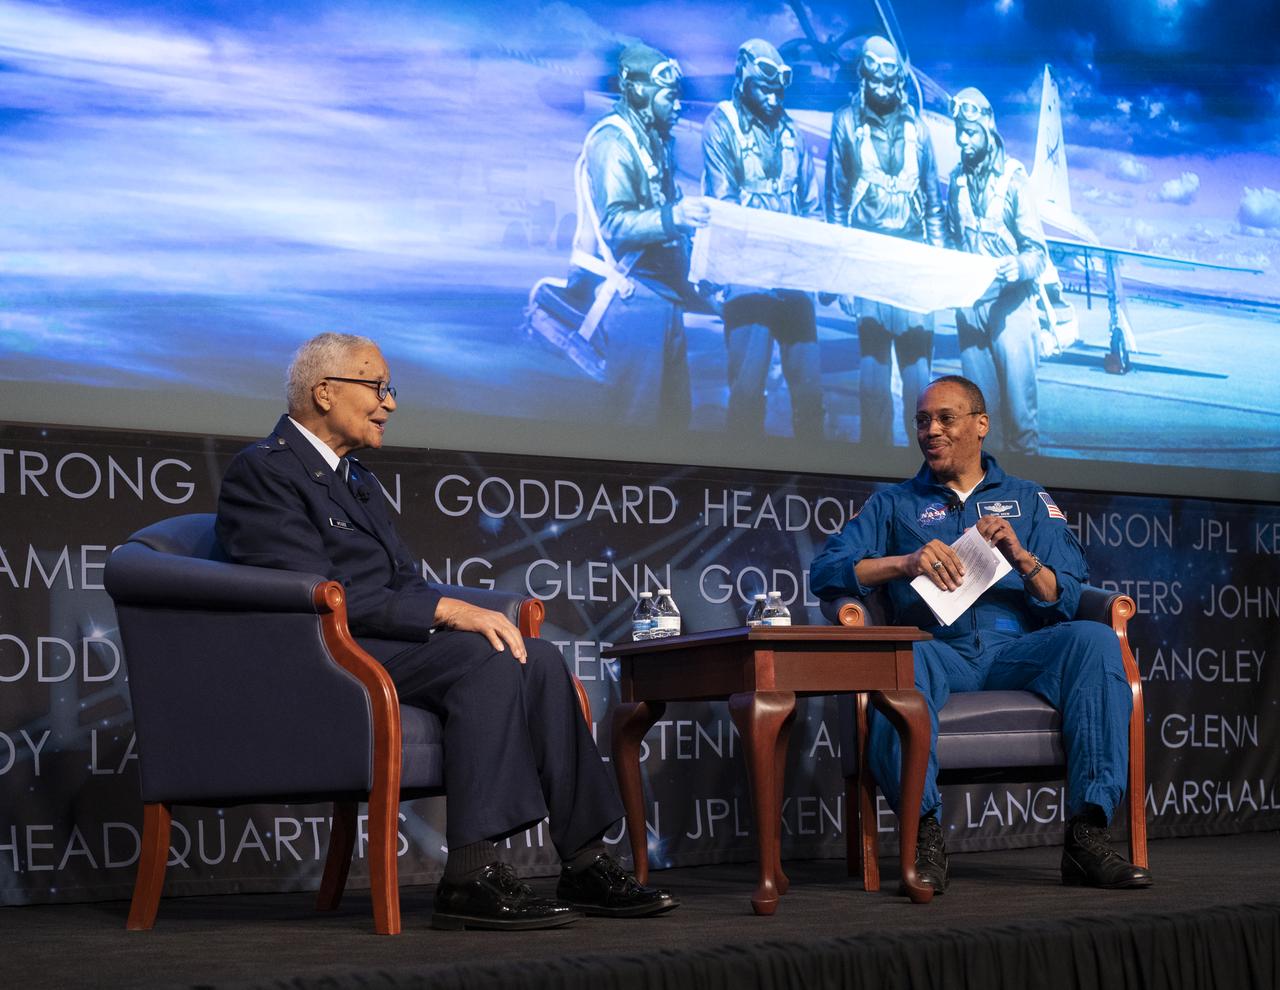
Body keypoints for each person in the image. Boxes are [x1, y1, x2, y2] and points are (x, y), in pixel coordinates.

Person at [216, 332, 678, 930]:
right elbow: (308, 590)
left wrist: (448, 608)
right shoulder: (264, 470)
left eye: (389, 389)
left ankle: (586, 861)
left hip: (385, 644)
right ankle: (469, 875)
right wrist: (447, 612)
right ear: (324, 392)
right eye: (377, 387)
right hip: (328, 656)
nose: (389, 402)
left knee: (535, 657)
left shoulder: (356, 479)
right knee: (487, 658)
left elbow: (404, 581)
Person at [809, 375, 1152, 892]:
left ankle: (1087, 837)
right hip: (935, 650)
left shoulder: (1028, 499)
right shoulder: (894, 504)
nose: (931, 430)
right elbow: (826, 571)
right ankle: (923, 837)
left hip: (1017, 650)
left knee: (1095, 641)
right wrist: (904, 562)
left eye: (945, 418)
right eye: (922, 421)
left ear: (981, 424)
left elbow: (1065, 592)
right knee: (896, 665)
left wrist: (1021, 556)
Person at [572, 42, 709, 429]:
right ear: (639, 91)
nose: (678, 106)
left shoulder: (654, 138)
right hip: (636, 299)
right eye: (669, 97)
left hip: (664, 296)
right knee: (636, 423)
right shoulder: (614, 142)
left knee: (672, 420)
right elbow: (615, 225)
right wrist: (674, 217)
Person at [701, 38, 824, 441]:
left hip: (793, 276)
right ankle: (742, 472)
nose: (773, 99)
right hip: (748, 275)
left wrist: (819, 269)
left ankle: (813, 472)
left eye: (779, 92)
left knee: (810, 392)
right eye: (764, 89)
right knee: (747, 388)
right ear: (743, 79)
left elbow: (811, 206)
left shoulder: (792, 132)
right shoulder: (722, 126)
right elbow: (725, 205)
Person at [826, 36, 943, 446]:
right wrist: (840, 275)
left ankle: (923, 468)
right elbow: (836, 200)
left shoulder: (919, 130)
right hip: (867, 258)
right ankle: (874, 463)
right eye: (873, 78)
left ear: (898, 81)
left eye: (888, 79)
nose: (881, 86)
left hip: (911, 258)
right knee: (873, 375)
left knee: (918, 376)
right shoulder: (845, 123)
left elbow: (933, 203)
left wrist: (937, 272)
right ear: (863, 76)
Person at [945, 88, 1046, 455]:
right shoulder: (957, 180)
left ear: (988, 126)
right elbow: (951, 239)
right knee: (980, 426)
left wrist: (1018, 265)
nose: (964, 140)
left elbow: (1038, 254)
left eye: (971, 132)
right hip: (971, 310)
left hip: (1010, 308)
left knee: (1021, 424)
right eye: (960, 132)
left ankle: (1028, 490)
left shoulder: (1013, 180)